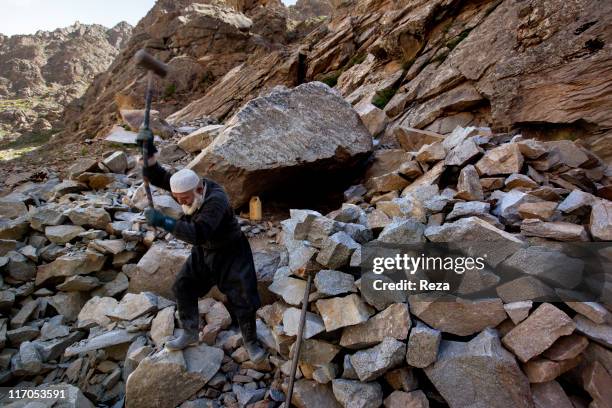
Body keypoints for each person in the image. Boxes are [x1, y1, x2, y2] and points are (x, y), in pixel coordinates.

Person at [138, 137, 266, 363]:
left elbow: (198, 232)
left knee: (243, 297)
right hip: (204, 252)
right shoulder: (187, 187)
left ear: (198, 189)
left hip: (231, 252)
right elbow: (159, 177)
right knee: (182, 286)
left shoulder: (217, 199)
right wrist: (148, 156)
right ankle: (189, 333)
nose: (181, 203)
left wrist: (164, 222)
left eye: (185, 199)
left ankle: (250, 341)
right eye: (176, 199)